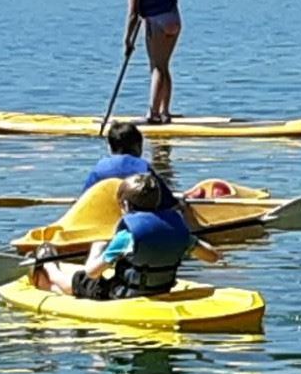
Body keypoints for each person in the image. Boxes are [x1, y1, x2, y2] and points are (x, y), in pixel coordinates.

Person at [31, 171, 193, 301]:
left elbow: (92, 273)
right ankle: (49, 285)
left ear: (125, 205)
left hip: (123, 295)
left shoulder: (126, 237)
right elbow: (207, 256)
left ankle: (49, 267)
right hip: (160, 289)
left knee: (82, 281)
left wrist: (97, 248)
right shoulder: (180, 230)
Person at [124, 0, 183, 124]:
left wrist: (128, 40)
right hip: (174, 20)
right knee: (164, 65)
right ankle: (165, 112)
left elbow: (133, 15)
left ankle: (153, 114)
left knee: (157, 67)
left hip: (156, 23)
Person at [85, 121, 156, 189]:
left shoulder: (99, 168)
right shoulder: (145, 168)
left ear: (111, 148)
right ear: (138, 146)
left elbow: (85, 195)